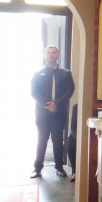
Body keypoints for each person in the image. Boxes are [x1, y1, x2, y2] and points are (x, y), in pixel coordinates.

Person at [30, 45, 75, 179]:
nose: (51, 54)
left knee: (58, 140)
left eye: (54, 52)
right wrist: (47, 104)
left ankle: (59, 167)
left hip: (59, 113)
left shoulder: (65, 73)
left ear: (58, 55)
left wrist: (56, 103)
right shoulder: (38, 73)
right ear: (45, 55)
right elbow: (34, 92)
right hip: (42, 113)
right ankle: (37, 168)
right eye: (48, 52)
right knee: (42, 140)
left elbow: (70, 91)